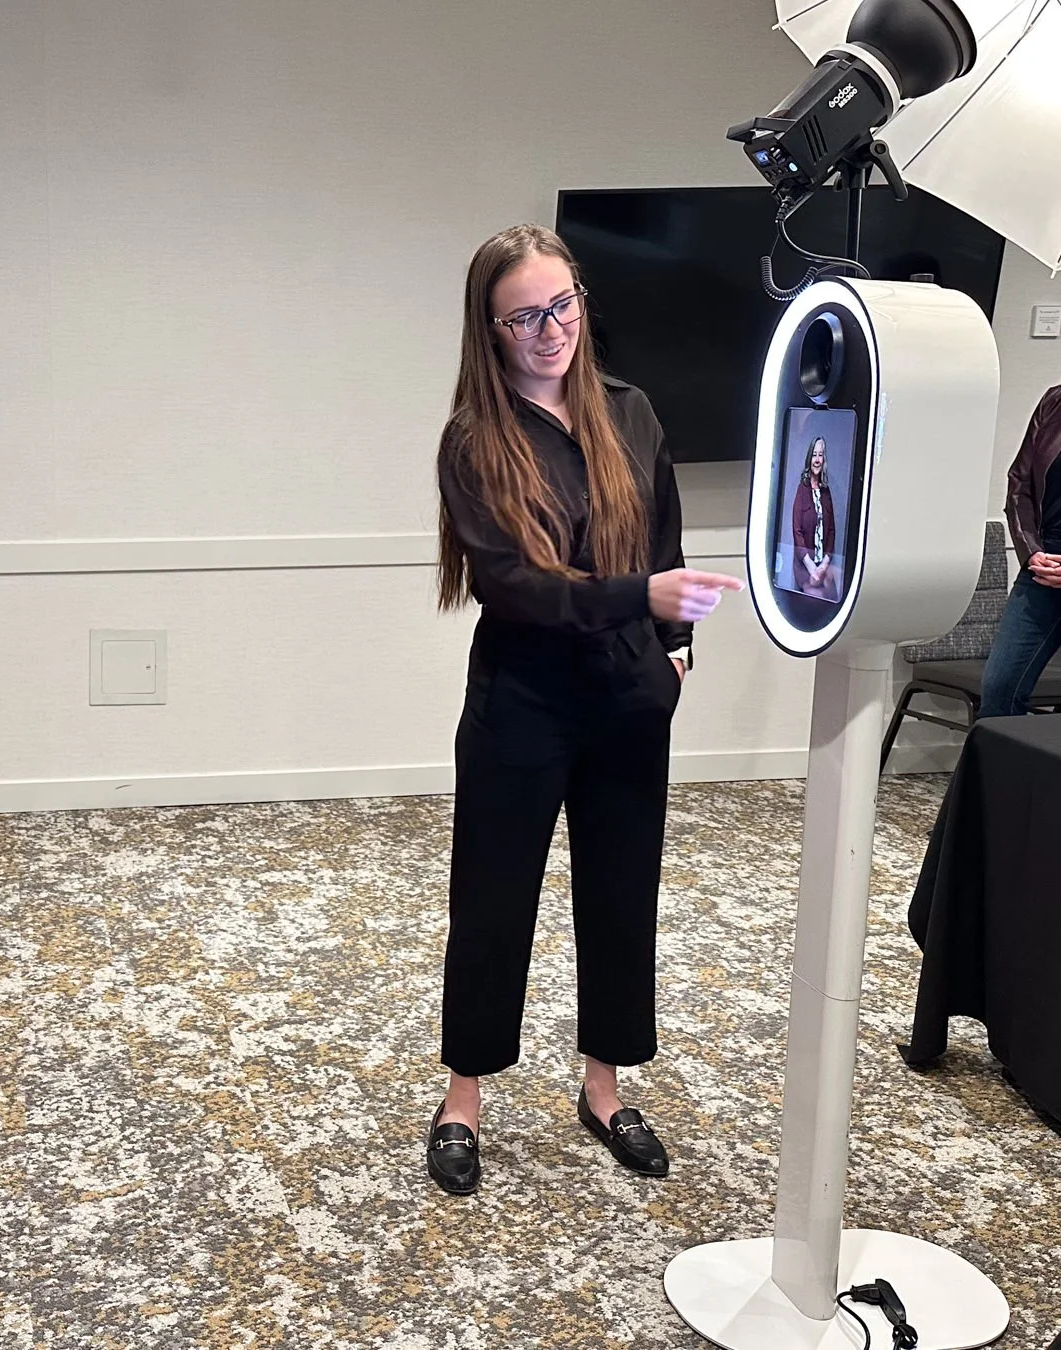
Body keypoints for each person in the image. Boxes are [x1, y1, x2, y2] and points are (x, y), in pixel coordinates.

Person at [425, 224, 742, 1196]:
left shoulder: (630, 412)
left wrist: (675, 650)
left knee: (620, 896)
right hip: (523, 701)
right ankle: (463, 1098)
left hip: (628, 701)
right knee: (493, 901)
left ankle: (605, 1089)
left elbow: (665, 540)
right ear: (489, 329)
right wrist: (640, 599)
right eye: (523, 317)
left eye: (561, 305)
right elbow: (518, 587)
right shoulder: (475, 441)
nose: (550, 329)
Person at [981, 382, 1061, 716]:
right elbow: (1019, 482)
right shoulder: (1054, 401)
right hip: (1044, 566)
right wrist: (1031, 551)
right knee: (1000, 689)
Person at [791, 437, 840, 601]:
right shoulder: (802, 490)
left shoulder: (826, 492)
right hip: (805, 570)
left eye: (820, 455)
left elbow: (831, 531)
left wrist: (824, 564)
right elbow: (796, 531)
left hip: (823, 568)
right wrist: (810, 566)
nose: (817, 460)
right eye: (814, 455)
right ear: (809, 459)